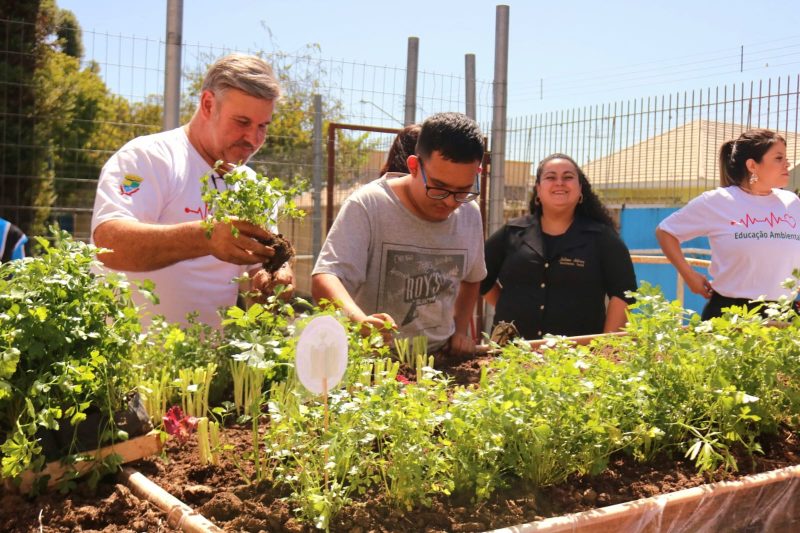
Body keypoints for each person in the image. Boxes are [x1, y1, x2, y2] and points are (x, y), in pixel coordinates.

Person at [90, 53, 294, 328]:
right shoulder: (149, 158)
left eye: (263, 126)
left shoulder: (253, 187)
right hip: (132, 350)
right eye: (242, 122)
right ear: (208, 104)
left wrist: (271, 278)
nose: (253, 139)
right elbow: (109, 245)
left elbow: (254, 280)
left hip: (209, 354)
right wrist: (206, 237)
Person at [312, 112, 486, 356]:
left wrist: (459, 329)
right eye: (439, 187)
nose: (449, 201)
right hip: (375, 362)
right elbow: (326, 278)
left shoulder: (470, 213)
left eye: (462, 190)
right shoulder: (369, 205)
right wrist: (359, 321)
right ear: (414, 166)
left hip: (438, 360)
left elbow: (473, 277)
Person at [481, 153, 637, 340]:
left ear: (580, 189)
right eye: (551, 177)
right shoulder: (511, 232)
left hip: (576, 355)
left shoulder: (602, 238)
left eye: (568, 177)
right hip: (512, 352)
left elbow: (624, 294)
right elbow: (480, 276)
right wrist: (508, 306)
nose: (560, 183)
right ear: (538, 189)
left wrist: (605, 348)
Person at [656, 129, 796, 320]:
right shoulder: (717, 201)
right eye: (779, 158)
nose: (787, 163)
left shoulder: (792, 202)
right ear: (752, 165)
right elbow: (666, 231)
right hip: (730, 316)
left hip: (784, 314)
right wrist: (689, 275)